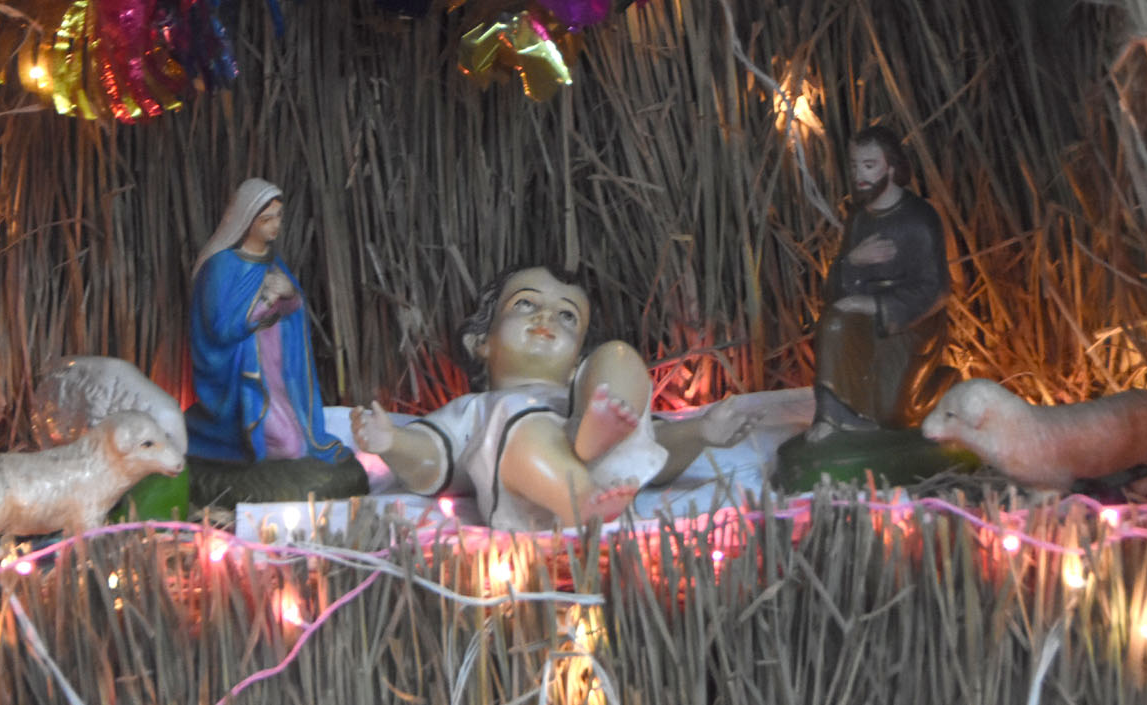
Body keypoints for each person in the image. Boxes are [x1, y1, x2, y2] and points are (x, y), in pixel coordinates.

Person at [351, 266, 756, 529]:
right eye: (525, 304)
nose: (546, 318)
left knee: (617, 357)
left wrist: (701, 432)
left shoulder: (590, 390)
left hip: (605, 456)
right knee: (523, 420)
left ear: (576, 357)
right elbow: (434, 463)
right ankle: (578, 496)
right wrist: (393, 443)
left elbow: (654, 449)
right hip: (539, 504)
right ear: (480, 342)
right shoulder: (480, 410)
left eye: (567, 316)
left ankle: (590, 434)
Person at [185, 179, 351, 465]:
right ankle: (200, 431)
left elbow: (293, 307)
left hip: (277, 371)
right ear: (246, 219)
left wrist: (289, 296)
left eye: (278, 217)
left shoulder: (272, 260)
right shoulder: (221, 266)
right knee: (288, 447)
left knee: (300, 444)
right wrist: (266, 303)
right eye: (266, 219)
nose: (275, 225)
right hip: (244, 377)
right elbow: (219, 329)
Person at [805, 126, 952, 443]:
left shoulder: (919, 218)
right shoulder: (859, 218)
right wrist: (851, 263)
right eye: (856, 165)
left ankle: (945, 385)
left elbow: (936, 290)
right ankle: (833, 416)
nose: (860, 174)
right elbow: (836, 294)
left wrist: (876, 305)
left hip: (909, 327)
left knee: (896, 416)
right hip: (862, 324)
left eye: (869, 165)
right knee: (833, 323)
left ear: (892, 167)